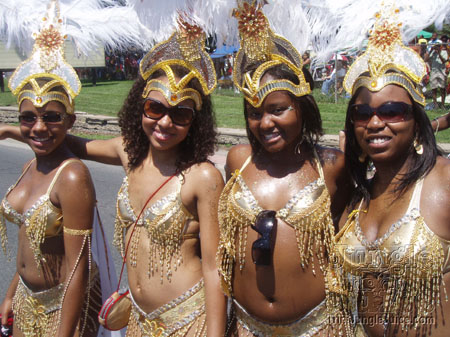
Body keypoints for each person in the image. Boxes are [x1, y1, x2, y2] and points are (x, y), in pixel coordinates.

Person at [65, 21, 226, 337]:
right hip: (138, 322)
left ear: (195, 122)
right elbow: (70, 142)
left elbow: (214, 267)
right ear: (140, 107)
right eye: (155, 108)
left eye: (181, 114)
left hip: (189, 321)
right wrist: (12, 129)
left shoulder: (202, 177)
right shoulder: (129, 153)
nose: (165, 122)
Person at [217, 2, 351, 336]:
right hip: (246, 326)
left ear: (302, 108)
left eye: (278, 109)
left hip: (317, 327)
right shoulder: (237, 160)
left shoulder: (331, 166)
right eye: (254, 113)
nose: (265, 123)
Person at [333, 6, 450, 336]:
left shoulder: (443, 181)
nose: (374, 123)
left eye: (392, 111)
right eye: (362, 113)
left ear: (416, 121)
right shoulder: (356, 194)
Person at [0, 3, 111, 336]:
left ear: (70, 121)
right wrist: (10, 294)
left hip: (62, 309)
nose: (39, 127)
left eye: (51, 117)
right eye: (28, 118)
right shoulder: (28, 165)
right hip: (25, 300)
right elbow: (29, 243)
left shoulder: (72, 176)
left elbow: (78, 266)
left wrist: (66, 331)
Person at [425, 37, 449, 109]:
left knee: (442, 88)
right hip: (434, 71)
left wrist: (439, 53)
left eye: (438, 46)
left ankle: (442, 104)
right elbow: (426, 59)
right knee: (434, 88)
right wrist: (430, 51)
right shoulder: (433, 52)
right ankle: (435, 104)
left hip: (441, 71)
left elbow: (443, 61)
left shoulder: (445, 52)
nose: (437, 47)